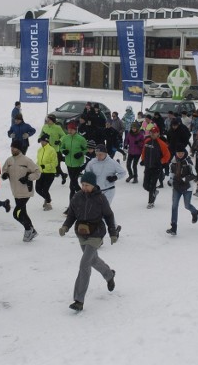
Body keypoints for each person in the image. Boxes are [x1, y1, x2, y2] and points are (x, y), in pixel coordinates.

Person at [58, 171, 118, 312]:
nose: (84, 187)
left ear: (93, 185)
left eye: (87, 185)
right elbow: (72, 214)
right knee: (92, 260)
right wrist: (65, 226)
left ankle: (79, 300)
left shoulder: (100, 199)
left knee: (84, 263)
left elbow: (109, 215)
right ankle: (109, 274)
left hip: (96, 234)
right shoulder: (77, 196)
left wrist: (113, 232)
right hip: (82, 233)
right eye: (82, 184)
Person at [1, 140, 41, 242]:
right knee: (23, 213)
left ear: (19, 149)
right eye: (11, 148)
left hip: (25, 191)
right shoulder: (9, 160)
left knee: (16, 214)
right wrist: (4, 175)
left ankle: (28, 230)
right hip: (15, 191)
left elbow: (37, 172)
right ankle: (32, 231)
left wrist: (27, 178)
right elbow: (4, 170)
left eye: (14, 148)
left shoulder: (26, 160)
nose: (12, 149)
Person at [167, 148, 198, 235]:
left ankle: (195, 212)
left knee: (187, 205)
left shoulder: (188, 162)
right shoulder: (173, 162)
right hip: (177, 187)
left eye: (181, 152)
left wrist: (185, 179)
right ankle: (174, 227)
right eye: (178, 152)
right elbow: (171, 173)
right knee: (174, 206)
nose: (180, 154)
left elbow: (194, 174)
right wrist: (170, 180)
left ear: (184, 153)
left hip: (187, 188)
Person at [141, 126, 171, 209]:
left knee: (152, 185)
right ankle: (154, 192)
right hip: (147, 167)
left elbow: (167, 156)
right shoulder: (147, 141)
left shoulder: (162, 144)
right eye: (151, 132)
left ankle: (151, 202)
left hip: (156, 168)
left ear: (158, 133)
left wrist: (161, 161)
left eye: (154, 132)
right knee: (145, 185)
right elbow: (143, 151)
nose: (152, 134)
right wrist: (143, 159)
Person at [60, 122, 87, 203]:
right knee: (73, 184)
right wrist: (63, 151)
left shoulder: (81, 139)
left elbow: (86, 149)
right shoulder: (65, 138)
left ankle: (73, 204)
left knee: (73, 184)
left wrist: (81, 153)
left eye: (72, 129)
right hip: (68, 163)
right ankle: (82, 198)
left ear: (75, 130)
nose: (70, 131)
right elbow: (61, 147)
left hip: (78, 164)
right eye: (68, 129)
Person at [39, 114, 67, 184]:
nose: (47, 121)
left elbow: (64, 136)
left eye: (49, 120)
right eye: (47, 119)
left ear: (53, 121)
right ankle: (62, 175)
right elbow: (41, 134)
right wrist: (39, 138)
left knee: (56, 165)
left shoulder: (57, 128)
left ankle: (63, 175)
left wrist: (59, 140)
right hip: (46, 148)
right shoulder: (45, 126)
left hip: (55, 149)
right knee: (46, 162)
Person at [36, 134, 57, 211]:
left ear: (47, 141)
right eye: (41, 141)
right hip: (41, 173)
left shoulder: (52, 150)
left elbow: (55, 163)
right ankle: (47, 198)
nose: (42, 142)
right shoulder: (39, 150)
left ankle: (48, 203)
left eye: (43, 141)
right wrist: (35, 168)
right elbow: (38, 162)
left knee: (45, 189)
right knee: (37, 189)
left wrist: (45, 166)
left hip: (50, 173)